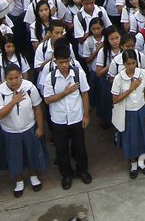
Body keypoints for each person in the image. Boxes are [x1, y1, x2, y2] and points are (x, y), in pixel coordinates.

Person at [39, 45, 92, 190]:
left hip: (76, 116)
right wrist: (65, 92)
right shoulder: (50, 77)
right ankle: (66, 174)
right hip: (59, 119)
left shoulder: (78, 73)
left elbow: (85, 94)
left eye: (66, 61)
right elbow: (48, 99)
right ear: (55, 62)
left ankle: (82, 170)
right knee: (61, 149)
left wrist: (86, 115)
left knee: (80, 146)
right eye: (61, 62)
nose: (64, 65)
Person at [0, 63, 46, 197]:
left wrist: (40, 127)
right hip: (10, 131)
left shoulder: (29, 87)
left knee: (31, 154)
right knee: (14, 157)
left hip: (29, 128)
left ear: (21, 76)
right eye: (10, 78)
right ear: (5, 79)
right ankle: (19, 181)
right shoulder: (0, 92)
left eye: (17, 77)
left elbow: (37, 108)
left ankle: (33, 176)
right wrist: (13, 101)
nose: (14, 81)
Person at [109, 50, 145, 179]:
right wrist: (131, 88)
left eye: (133, 63)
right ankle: (133, 164)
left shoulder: (143, 73)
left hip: (141, 110)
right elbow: (115, 99)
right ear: (124, 64)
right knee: (130, 139)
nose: (131, 66)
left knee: (142, 138)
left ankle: (142, 162)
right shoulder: (119, 78)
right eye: (128, 64)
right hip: (127, 113)